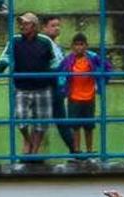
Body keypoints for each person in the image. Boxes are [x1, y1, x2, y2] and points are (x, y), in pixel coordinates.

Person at [0, 12, 58, 160]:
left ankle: (34, 153)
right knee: (20, 120)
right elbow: (5, 59)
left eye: (26, 23)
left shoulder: (45, 41)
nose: (22, 26)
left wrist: (52, 79)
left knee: (41, 123)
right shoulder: (15, 41)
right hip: (22, 88)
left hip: (42, 88)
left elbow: (56, 62)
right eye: (21, 23)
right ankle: (29, 141)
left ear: (34, 25)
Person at [59, 32, 111, 156]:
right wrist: (62, 88)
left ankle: (89, 151)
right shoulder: (68, 60)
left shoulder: (93, 58)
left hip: (89, 97)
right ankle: (77, 151)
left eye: (81, 44)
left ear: (86, 46)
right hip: (74, 97)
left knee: (89, 126)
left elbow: (107, 67)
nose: (79, 47)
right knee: (75, 126)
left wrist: (102, 82)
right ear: (72, 46)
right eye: (76, 45)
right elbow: (59, 73)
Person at [41, 15, 75, 157]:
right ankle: (75, 150)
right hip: (48, 87)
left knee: (60, 121)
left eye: (58, 25)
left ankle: (75, 150)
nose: (57, 28)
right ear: (45, 28)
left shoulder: (58, 47)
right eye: (53, 25)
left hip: (57, 88)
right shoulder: (43, 44)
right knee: (42, 122)